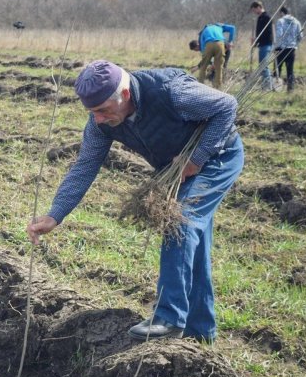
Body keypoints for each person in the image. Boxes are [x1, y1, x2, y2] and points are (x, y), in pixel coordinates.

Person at [26, 61, 243, 343]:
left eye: (103, 109)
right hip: (177, 169)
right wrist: (55, 214)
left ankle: (169, 317)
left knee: (179, 222)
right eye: (92, 112)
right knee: (193, 242)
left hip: (217, 159)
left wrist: (197, 158)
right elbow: (85, 165)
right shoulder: (100, 124)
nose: (99, 119)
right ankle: (201, 332)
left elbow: (227, 106)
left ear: (125, 94)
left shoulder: (171, 92)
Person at [189, 22, 236, 89]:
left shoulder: (202, 34)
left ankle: (200, 87)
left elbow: (204, 55)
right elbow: (232, 28)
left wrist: (200, 66)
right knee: (219, 69)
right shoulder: (219, 26)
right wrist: (231, 41)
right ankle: (218, 88)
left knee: (203, 68)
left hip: (213, 45)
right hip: (221, 44)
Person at [274, 6, 303, 92]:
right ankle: (290, 89)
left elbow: (279, 35)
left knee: (277, 68)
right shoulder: (297, 22)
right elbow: (300, 36)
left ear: (282, 13)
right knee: (290, 70)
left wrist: (275, 46)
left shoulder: (280, 21)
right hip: (292, 49)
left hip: (281, 49)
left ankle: (276, 89)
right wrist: (294, 42)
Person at [250, 1, 274, 90]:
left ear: (259, 7)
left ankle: (267, 87)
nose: (254, 12)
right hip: (262, 44)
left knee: (264, 66)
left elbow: (267, 33)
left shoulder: (266, 17)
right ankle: (266, 85)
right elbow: (259, 32)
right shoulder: (260, 18)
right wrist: (255, 41)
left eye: (254, 10)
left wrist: (257, 39)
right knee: (262, 66)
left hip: (266, 44)